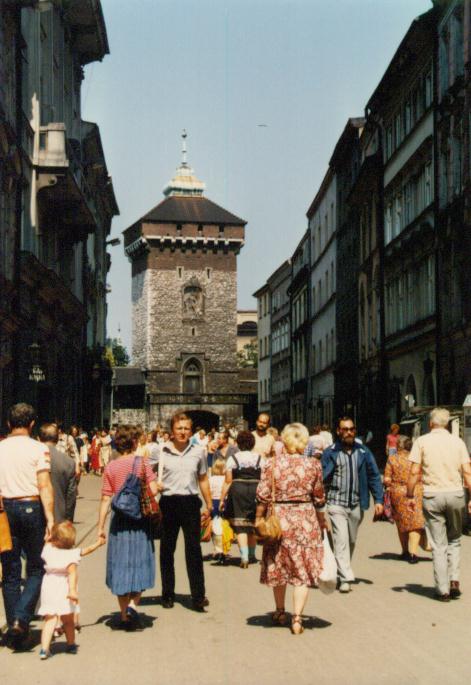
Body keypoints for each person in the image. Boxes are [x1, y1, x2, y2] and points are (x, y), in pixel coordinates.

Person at [255, 423, 327, 635]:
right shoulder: (313, 464)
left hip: (279, 519)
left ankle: (280, 611)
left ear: (284, 440)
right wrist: (321, 521)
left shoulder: (272, 463)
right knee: (301, 569)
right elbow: (319, 496)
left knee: (279, 565)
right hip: (305, 520)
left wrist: (258, 518)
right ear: (304, 441)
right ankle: (297, 618)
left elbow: (262, 495)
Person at [0, 403, 54, 647]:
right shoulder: (39, 448)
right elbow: (44, 484)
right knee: (37, 567)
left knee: (10, 571)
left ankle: (15, 627)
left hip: (4, 511)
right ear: (32, 424)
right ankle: (21, 619)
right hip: (31, 507)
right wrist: (51, 519)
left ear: (8, 424)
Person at [97, 425, 161, 628]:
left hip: (119, 521)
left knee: (120, 564)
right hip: (140, 519)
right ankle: (134, 605)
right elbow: (153, 490)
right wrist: (156, 486)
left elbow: (105, 499)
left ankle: (124, 616)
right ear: (134, 442)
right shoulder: (142, 463)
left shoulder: (110, 467)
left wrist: (100, 527)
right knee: (141, 561)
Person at [406, 407, 471, 601]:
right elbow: (467, 472)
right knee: (454, 540)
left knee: (438, 544)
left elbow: (414, 471)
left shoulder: (422, 441)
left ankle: (442, 590)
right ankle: (454, 580)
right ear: (448, 423)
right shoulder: (458, 442)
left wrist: (410, 495)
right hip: (455, 494)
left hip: (432, 495)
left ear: (430, 423)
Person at [155, 412, 212, 611]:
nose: (182, 432)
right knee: (167, 550)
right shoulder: (161, 451)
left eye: (186, 428)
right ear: (172, 430)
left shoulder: (199, 452)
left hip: (190, 503)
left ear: (191, 431)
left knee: (193, 550)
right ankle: (167, 594)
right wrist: (155, 485)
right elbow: (147, 475)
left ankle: (198, 596)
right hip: (168, 503)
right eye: (179, 428)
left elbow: (203, 479)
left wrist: (209, 504)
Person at [321, 416, 383, 593]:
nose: (349, 432)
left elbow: (374, 476)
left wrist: (378, 500)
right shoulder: (330, 452)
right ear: (338, 431)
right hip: (336, 503)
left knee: (351, 540)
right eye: (345, 429)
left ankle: (341, 570)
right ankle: (345, 578)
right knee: (341, 540)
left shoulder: (363, 452)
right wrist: (319, 503)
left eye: (351, 429)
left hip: (356, 503)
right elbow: (321, 478)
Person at [38, 522, 104, 659]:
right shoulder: (72, 554)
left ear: (54, 538)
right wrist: (98, 543)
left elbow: (47, 542)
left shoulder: (47, 550)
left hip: (49, 585)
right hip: (64, 588)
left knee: (50, 619)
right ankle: (71, 644)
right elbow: (73, 572)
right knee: (68, 620)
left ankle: (44, 649)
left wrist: (48, 536)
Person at [220, 431, 262, 568]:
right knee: (253, 523)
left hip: (238, 489)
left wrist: (222, 499)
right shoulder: (259, 458)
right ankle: (252, 554)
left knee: (240, 524)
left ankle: (244, 557)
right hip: (256, 489)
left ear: (238, 443)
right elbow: (265, 478)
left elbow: (228, 481)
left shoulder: (233, 459)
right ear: (253, 444)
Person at [383, 434, 425, 563]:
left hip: (398, 492)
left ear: (398, 446)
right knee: (415, 523)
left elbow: (387, 479)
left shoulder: (392, 459)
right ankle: (413, 553)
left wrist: (388, 485)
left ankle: (405, 551)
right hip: (416, 490)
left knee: (401, 522)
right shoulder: (417, 459)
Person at [39, 423, 77, 523]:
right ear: (57, 439)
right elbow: (71, 495)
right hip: (59, 517)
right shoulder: (68, 462)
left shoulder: (32, 459)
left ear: (39, 439)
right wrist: (68, 520)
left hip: (36, 517)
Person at [209, 459, 226, 564]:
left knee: (215, 526)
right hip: (224, 502)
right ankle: (223, 547)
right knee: (224, 526)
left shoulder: (211, 479)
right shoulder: (226, 479)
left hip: (214, 502)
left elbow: (209, 491)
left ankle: (216, 548)